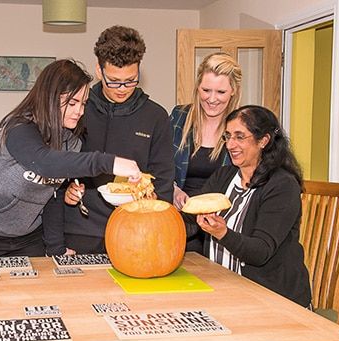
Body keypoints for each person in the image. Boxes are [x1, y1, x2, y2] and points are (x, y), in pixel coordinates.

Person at [0, 59, 142, 258]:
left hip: (29, 236)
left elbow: (53, 196)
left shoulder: (72, 140)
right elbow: (45, 163)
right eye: (72, 103)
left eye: (83, 103)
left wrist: (56, 249)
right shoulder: (18, 128)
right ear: (50, 98)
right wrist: (111, 163)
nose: (79, 111)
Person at [44, 25, 175, 255]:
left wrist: (150, 197)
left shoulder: (156, 116)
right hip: (78, 229)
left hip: (134, 230)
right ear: (98, 70)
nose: (122, 89)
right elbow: (55, 167)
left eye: (131, 80)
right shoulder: (77, 109)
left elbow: (163, 182)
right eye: (113, 81)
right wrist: (66, 191)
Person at [184, 105, 311, 307]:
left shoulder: (282, 186)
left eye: (239, 137)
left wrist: (222, 233)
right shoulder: (223, 177)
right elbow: (189, 217)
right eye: (227, 136)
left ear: (263, 141)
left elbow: (260, 252)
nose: (230, 145)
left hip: (273, 300)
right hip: (225, 291)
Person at [170, 52, 242, 253]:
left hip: (224, 223)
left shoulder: (240, 127)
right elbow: (160, 164)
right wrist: (173, 189)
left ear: (233, 91)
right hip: (180, 220)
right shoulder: (179, 117)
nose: (212, 99)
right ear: (197, 88)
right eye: (206, 90)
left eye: (220, 92)